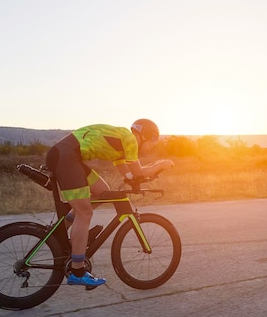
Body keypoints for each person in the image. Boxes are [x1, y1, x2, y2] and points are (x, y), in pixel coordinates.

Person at [45, 119, 174, 287]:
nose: (152, 146)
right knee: (85, 213)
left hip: (67, 155)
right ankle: (77, 271)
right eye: (153, 141)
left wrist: (134, 180)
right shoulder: (130, 139)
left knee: (102, 192)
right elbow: (139, 171)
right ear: (145, 136)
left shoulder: (121, 146)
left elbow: (130, 175)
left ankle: (62, 228)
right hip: (66, 157)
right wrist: (162, 164)